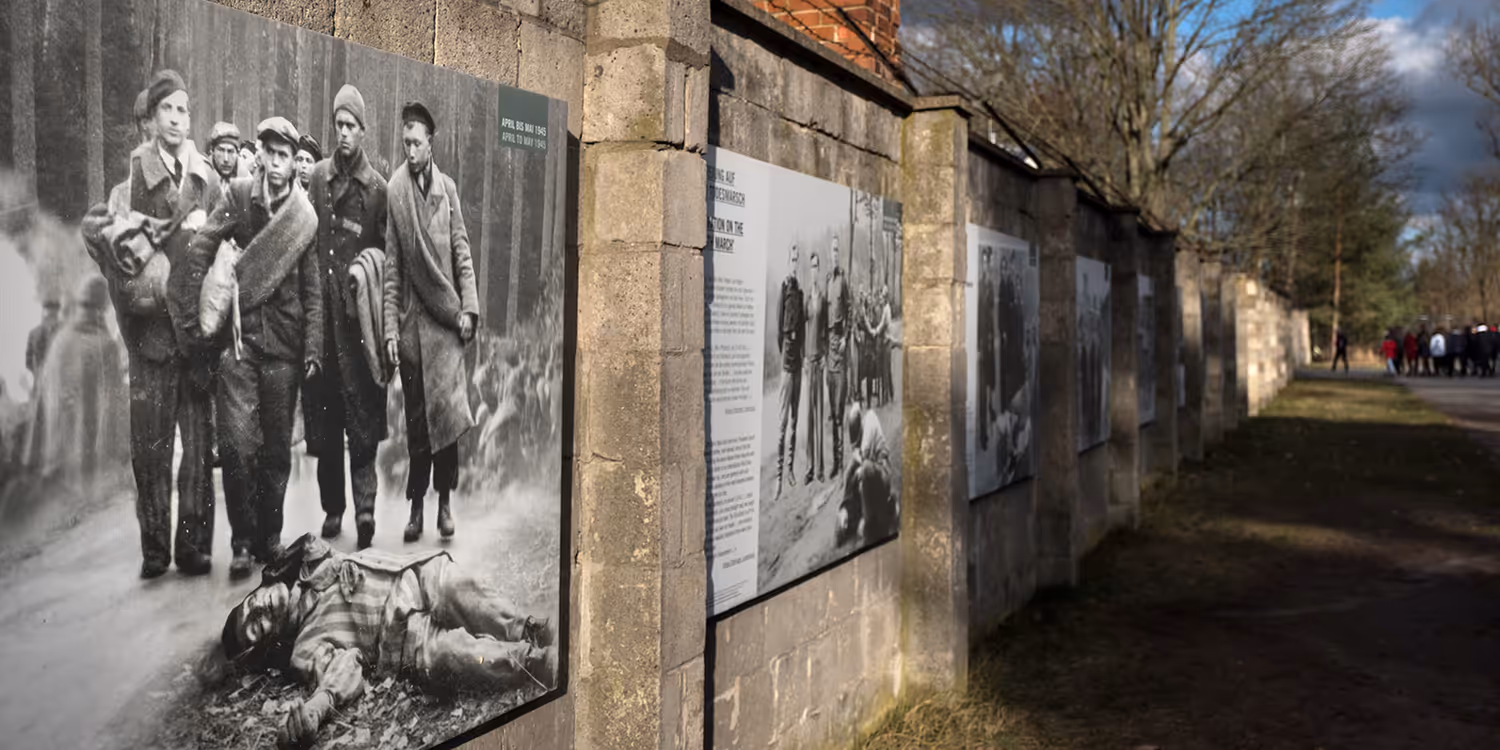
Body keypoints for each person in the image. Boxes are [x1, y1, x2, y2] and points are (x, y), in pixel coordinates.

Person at [219, 533, 556, 749]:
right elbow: (343, 669)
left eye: (252, 604)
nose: (260, 609)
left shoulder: (310, 567)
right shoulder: (304, 649)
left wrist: (337, 563)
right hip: (402, 637)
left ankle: (527, 629)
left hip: (416, 576)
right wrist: (315, 710)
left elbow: (309, 544)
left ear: (258, 590)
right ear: (269, 643)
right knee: (456, 653)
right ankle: (533, 661)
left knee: (462, 590)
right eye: (257, 625)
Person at [80, 71, 220, 579]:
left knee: (199, 447)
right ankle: (156, 549)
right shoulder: (134, 178)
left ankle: (192, 547)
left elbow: (225, 242)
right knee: (151, 448)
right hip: (153, 335)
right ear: (154, 118)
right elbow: (105, 237)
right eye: (168, 111)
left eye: (184, 111)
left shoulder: (207, 179)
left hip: (196, 332)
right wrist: (135, 275)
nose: (177, 120)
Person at [190, 116, 324, 579]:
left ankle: (270, 535)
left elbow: (312, 291)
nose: (274, 162)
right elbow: (202, 246)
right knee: (236, 444)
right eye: (268, 152)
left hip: (284, 347)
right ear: (261, 155)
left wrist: (313, 348)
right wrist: (197, 315)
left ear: (293, 162)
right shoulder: (238, 197)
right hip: (239, 342)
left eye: (284, 155)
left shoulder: (303, 218)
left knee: (275, 452)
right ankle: (242, 539)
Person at [383, 101, 478, 542]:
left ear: (431, 142)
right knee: (418, 423)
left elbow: (461, 252)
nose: (410, 151)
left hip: (447, 324)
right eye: (405, 142)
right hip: (413, 329)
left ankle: (444, 504)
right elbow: (392, 269)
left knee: (448, 420)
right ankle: (417, 507)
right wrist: (390, 329)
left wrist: (469, 309)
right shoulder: (395, 191)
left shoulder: (449, 190)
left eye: (416, 143)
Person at [305, 85, 390, 548]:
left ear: (363, 130)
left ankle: (366, 510)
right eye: (338, 124)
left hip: (359, 330)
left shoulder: (377, 189)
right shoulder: (317, 179)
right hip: (323, 324)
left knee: (361, 425)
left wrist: (367, 274)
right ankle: (333, 509)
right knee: (326, 422)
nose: (343, 133)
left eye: (351, 126)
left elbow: (387, 257)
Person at [21, 276, 129, 481]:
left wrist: (32, 454)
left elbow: (39, 404)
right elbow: (113, 412)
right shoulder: (105, 346)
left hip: (53, 460)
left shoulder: (60, 341)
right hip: (85, 468)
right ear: (103, 307)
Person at [835, 401, 897, 547]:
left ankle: (869, 521)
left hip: (882, 472)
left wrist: (856, 471)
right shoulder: (860, 435)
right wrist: (844, 504)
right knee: (854, 470)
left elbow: (864, 460)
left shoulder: (870, 419)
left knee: (864, 470)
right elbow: (856, 458)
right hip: (870, 477)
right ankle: (847, 512)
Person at [773, 241, 805, 498]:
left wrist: (800, 357)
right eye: (792, 259)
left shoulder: (801, 293)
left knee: (795, 420)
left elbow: (802, 332)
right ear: (787, 262)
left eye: (797, 260)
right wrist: (786, 351)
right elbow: (777, 330)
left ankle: (791, 469)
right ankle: (778, 476)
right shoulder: (783, 290)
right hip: (786, 363)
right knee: (782, 422)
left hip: (799, 364)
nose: (794, 264)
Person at [826, 235, 852, 474]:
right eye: (831, 250)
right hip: (828, 354)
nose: (834, 254)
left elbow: (851, 309)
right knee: (832, 413)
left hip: (841, 352)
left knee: (839, 409)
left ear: (839, 253)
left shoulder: (843, 280)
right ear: (828, 253)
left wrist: (846, 338)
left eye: (837, 250)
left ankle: (842, 463)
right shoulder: (826, 280)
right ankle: (836, 462)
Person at [804, 249, 827, 485]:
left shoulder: (821, 297)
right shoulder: (806, 299)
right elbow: (802, 330)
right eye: (811, 266)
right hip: (808, 363)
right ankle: (809, 468)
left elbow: (826, 330)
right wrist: (803, 357)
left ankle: (820, 468)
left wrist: (824, 356)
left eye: (817, 266)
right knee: (809, 417)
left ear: (819, 270)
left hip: (819, 362)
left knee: (819, 414)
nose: (814, 270)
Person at [977, 246, 996, 450]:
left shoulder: (990, 284)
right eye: (984, 262)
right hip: (981, 344)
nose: (987, 265)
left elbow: (992, 314)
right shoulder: (981, 286)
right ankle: (983, 434)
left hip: (990, 343)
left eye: (989, 262)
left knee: (990, 383)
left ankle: (990, 412)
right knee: (982, 387)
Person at [25, 298, 62, 379]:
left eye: (54, 310)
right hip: (40, 380)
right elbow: (28, 362)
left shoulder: (64, 334)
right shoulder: (34, 333)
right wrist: (37, 373)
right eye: (48, 309)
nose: (51, 312)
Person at [207, 122, 243, 203]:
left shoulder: (245, 181)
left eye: (230, 151)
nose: (226, 159)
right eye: (221, 150)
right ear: (212, 151)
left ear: (238, 153)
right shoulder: (201, 178)